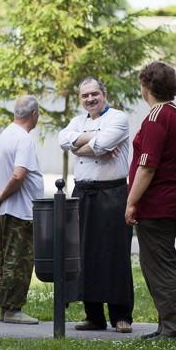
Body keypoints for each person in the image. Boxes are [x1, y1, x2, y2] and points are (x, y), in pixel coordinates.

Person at [58, 76, 133, 334]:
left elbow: (101, 144)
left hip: (112, 194)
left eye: (94, 94)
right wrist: (93, 141)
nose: (90, 99)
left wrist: (82, 146)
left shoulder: (119, 118)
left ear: (104, 94)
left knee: (115, 254)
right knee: (85, 256)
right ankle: (94, 317)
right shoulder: (78, 121)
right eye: (85, 95)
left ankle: (121, 316)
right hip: (83, 193)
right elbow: (63, 138)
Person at [125, 61, 176, 340]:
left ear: (147, 86)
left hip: (156, 203)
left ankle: (174, 330)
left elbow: (147, 166)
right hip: (170, 201)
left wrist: (130, 202)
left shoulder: (156, 118)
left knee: (160, 268)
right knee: (159, 267)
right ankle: (167, 325)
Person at [0, 95, 43, 325]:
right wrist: (2, 195)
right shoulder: (24, 139)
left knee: (6, 259)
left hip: (6, 210)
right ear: (34, 115)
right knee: (19, 261)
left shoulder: (5, 134)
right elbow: (19, 174)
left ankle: (5, 307)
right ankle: (12, 309)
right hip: (21, 211)